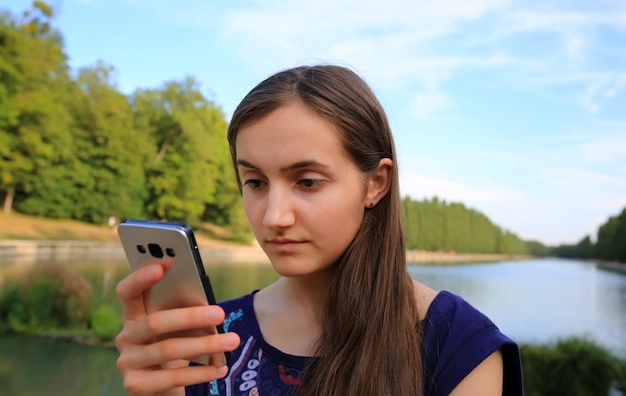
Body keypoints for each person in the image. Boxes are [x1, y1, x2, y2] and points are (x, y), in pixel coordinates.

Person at [115, 64, 524, 396]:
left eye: (308, 181)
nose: (274, 216)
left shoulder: (459, 346)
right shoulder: (215, 336)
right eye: (255, 182)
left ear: (376, 184)